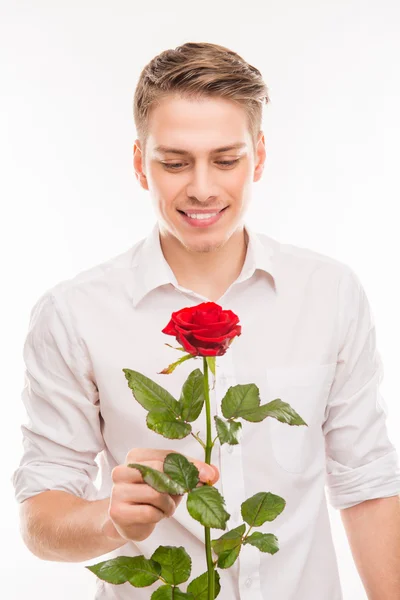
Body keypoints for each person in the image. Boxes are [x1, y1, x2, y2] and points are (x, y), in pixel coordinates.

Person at [11, 41, 400, 600]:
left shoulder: (330, 292)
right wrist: (111, 520)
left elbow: (365, 481)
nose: (200, 187)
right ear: (139, 164)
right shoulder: (73, 314)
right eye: (173, 162)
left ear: (259, 157)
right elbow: (40, 517)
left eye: (226, 159)